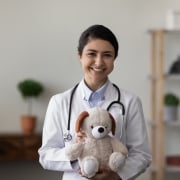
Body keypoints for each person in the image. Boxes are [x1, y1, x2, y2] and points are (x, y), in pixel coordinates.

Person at [38, 24, 152, 180]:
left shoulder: (130, 102)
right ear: (80, 56)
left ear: (114, 59)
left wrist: (116, 175)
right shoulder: (59, 102)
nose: (99, 62)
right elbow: (46, 155)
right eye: (92, 54)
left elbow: (142, 154)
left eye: (107, 55)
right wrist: (80, 161)